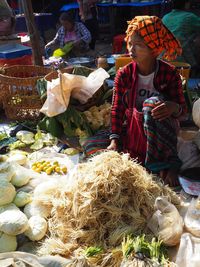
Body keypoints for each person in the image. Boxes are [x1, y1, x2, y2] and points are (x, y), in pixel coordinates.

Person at [107, 15, 187, 187]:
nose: (131, 49)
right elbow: (117, 109)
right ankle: (148, 159)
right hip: (135, 131)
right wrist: (114, 140)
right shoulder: (124, 74)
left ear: (154, 49)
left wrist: (173, 107)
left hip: (160, 134)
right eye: (130, 43)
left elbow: (183, 111)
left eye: (139, 45)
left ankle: (167, 162)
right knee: (94, 149)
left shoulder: (170, 73)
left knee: (151, 104)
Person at [162, 0, 200, 77]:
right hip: (182, 62)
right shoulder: (189, 17)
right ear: (187, 3)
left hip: (163, 60)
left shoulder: (165, 17)